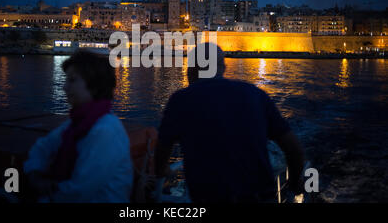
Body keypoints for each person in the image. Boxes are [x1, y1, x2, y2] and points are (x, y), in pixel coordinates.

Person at [155, 43, 305, 202]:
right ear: (223, 68)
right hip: (261, 197)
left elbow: (161, 150)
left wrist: (162, 170)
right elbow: (293, 149)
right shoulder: (256, 95)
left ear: (191, 69)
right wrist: (294, 182)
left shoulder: (180, 100)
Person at [23, 50, 133, 202]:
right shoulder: (78, 124)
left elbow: (81, 190)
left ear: (94, 86)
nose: (65, 88)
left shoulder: (105, 131)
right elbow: (42, 148)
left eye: (72, 80)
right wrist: (34, 174)